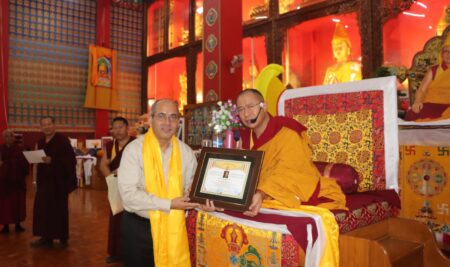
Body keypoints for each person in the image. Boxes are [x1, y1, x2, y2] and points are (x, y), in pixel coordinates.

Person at [236, 89, 346, 217]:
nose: (246, 114)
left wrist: (261, 193)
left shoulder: (287, 132)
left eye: (250, 106)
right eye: (241, 109)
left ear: (264, 106)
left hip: (288, 191)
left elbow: (289, 171)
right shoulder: (243, 139)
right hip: (262, 194)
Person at [118, 99, 199, 267]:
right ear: (151, 120)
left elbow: (192, 189)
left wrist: (200, 200)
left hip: (174, 228)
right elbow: (129, 196)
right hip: (140, 229)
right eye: (161, 116)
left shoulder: (186, 153)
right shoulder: (134, 150)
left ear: (178, 122)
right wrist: (169, 204)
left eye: (173, 117)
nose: (167, 122)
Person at [30, 116, 77, 248]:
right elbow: (36, 164)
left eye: (49, 124)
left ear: (54, 125)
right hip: (44, 182)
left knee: (59, 210)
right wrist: (34, 181)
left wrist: (53, 161)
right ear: (41, 127)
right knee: (43, 210)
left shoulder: (62, 141)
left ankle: (62, 238)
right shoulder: (40, 142)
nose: (47, 127)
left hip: (58, 183)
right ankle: (46, 237)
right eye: (44, 125)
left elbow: (71, 161)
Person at [99, 116, 135, 264]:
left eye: (121, 127)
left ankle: (132, 251)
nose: (118, 130)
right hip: (115, 186)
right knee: (115, 220)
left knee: (132, 219)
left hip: (133, 186)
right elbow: (103, 166)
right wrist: (112, 179)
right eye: (115, 128)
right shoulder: (109, 146)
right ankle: (115, 252)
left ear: (127, 128)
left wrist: (123, 174)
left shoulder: (136, 144)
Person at [406, 34, 450, 121]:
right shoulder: (434, 70)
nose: (449, 54)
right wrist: (417, 102)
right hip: (432, 103)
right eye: (446, 51)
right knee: (413, 113)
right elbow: (422, 89)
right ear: (442, 54)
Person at [0, 129, 28, 234]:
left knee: (17, 204)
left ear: (13, 138)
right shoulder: (1, 149)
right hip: (4, 182)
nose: (9, 138)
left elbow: (24, 164)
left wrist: (7, 164)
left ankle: (18, 225)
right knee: (5, 205)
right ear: (3, 138)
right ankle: (5, 226)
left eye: (11, 136)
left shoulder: (19, 149)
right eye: (6, 136)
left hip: (17, 183)